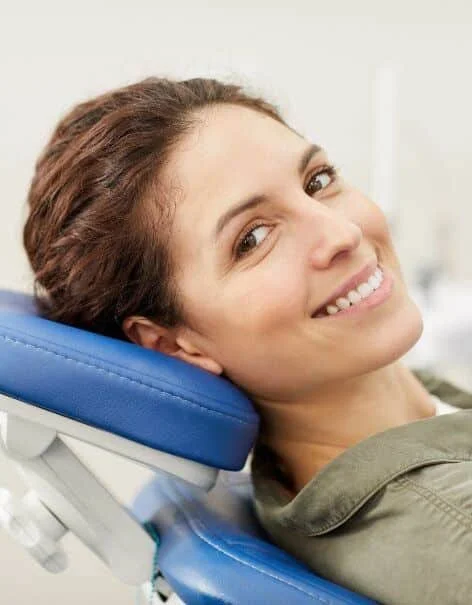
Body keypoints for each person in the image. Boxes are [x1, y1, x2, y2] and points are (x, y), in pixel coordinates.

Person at [22, 77, 472, 605]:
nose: (341, 234)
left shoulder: (348, 469)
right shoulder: (451, 530)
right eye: (252, 239)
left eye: (317, 180)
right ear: (173, 346)